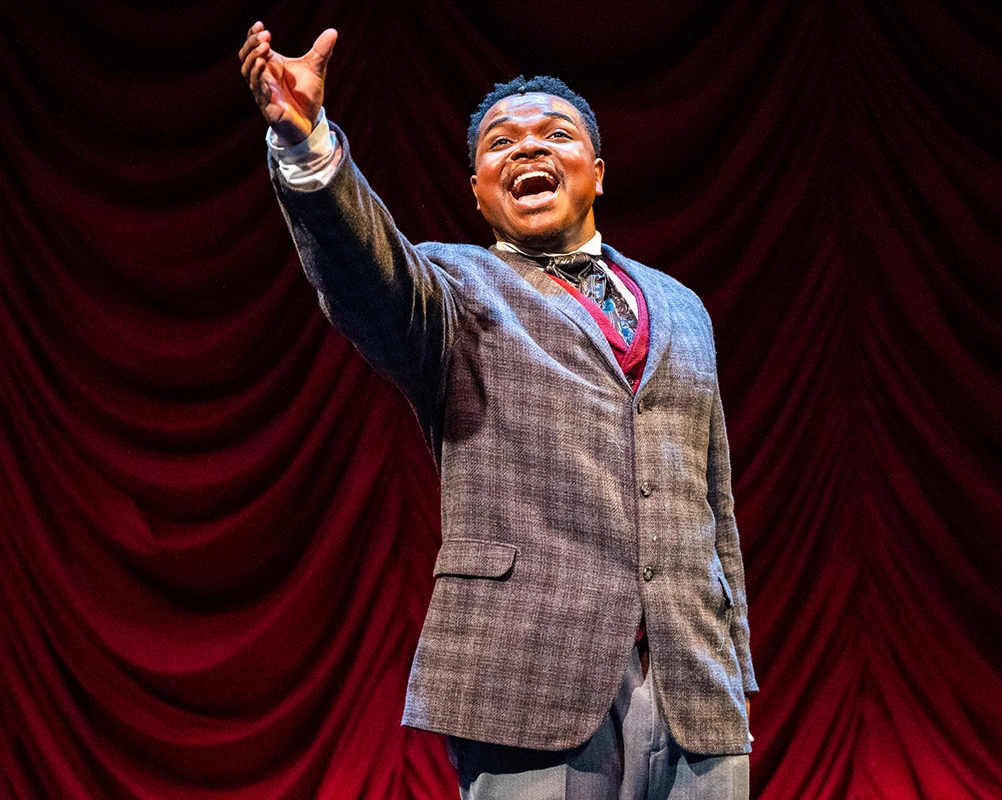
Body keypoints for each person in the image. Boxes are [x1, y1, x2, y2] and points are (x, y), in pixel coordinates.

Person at [238, 21, 758, 800]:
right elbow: (366, 273)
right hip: (528, 676)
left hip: (693, 685)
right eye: (501, 145)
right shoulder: (452, 286)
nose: (527, 149)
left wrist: (734, 666)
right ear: (478, 189)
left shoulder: (682, 307)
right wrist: (309, 147)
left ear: (599, 171)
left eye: (555, 134)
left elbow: (715, 504)